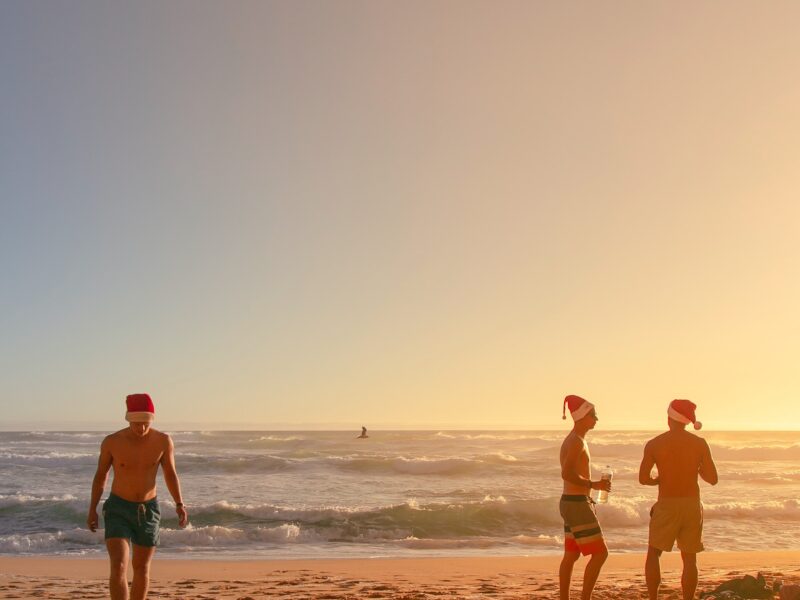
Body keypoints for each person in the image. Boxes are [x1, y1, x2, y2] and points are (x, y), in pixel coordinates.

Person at [87, 394, 188, 600]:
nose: (141, 428)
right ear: (128, 419)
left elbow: (170, 474)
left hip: (148, 509)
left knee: (141, 568)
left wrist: (179, 503)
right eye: (136, 423)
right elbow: (100, 476)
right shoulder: (112, 442)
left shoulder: (163, 441)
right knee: (119, 565)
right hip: (118, 508)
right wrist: (92, 509)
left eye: (145, 423)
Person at [639, 399, 718, 600]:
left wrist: (658, 480)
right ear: (686, 421)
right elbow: (713, 479)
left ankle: (653, 598)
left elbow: (643, 478)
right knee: (689, 558)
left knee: (654, 553)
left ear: (668, 419)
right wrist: (697, 469)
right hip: (692, 504)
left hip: (667, 503)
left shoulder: (655, 444)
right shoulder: (699, 443)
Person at [559, 394, 612, 600]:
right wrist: (593, 484)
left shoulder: (576, 440)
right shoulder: (576, 442)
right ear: (581, 417)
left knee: (571, 555)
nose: (596, 419)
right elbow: (567, 473)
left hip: (570, 502)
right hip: (576, 503)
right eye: (593, 415)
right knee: (601, 554)